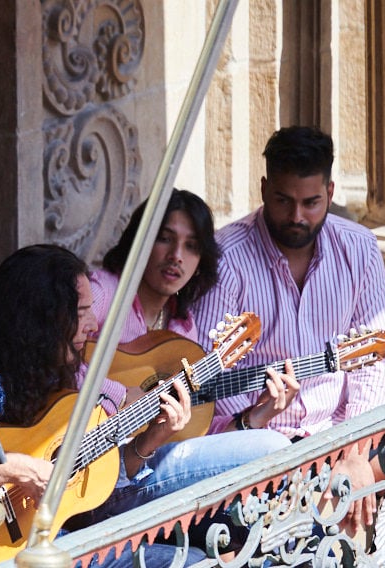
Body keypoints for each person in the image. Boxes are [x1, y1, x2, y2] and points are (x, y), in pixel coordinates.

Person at [0, 245, 285, 567]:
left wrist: (150, 440)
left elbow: (98, 504)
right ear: (41, 318)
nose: (92, 326)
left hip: (66, 541)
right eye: (82, 311)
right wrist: (22, 470)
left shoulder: (54, 378)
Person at [193, 125, 385, 538]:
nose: (297, 216)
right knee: (333, 516)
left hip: (342, 436)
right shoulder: (227, 259)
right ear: (264, 189)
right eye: (283, 200)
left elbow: (376, 361)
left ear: (331, 192)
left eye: (311, 202)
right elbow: (211, 385)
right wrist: (264, 418)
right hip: (259, 453)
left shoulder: (358, 247)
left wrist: (353, 451)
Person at [80, 188, 291, 522]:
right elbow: (48, 357)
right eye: (165, 239)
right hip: (78, 470)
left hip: (138, 472)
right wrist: (119, 395)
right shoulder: (105, 292)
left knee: (269, 444)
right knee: (272, 449)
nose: (177, 255)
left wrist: (255, 417)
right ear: (141, 239)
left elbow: (193, 436)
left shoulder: (182, 331)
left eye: (192, 246)